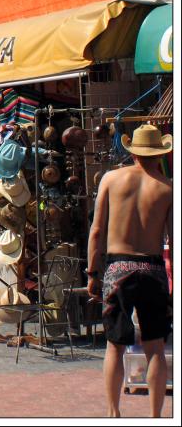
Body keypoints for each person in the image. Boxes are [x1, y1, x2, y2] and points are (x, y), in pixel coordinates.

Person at [87, 124, 173, 418]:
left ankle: (113, 413)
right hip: (152, 268)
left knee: (115, 346)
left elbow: (97, 230)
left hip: (117, 269)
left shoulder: (111, 179)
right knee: (155, 348)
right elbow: (174, 242)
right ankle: (156, 417)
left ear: (133, 151)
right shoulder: (168, 188)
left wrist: (92, 274)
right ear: (158, 153)